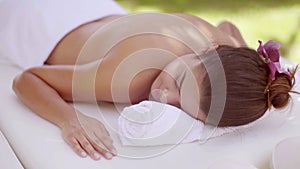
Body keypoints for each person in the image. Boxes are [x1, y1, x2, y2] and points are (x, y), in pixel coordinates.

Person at [8, 0, 297, 161]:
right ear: (206, 52)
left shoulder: (218, 41)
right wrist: (69, 119)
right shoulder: (125, 79)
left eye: (182, 106)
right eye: (179, 81)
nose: (162, 95)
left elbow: (228, 28)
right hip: (31, 20)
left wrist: (252, 76)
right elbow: (27, 79)